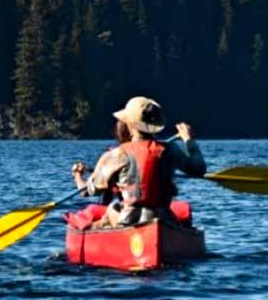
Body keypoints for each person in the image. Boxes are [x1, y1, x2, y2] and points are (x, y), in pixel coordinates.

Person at [70, 96, 205, 227]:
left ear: (130, 125)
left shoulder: (117, 154)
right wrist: (188, 140)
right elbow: (198, 169)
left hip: (129, 220)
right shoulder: (170, 150)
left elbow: (89, 190)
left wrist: (77, 175)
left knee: (111, 209)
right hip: (164, 218)